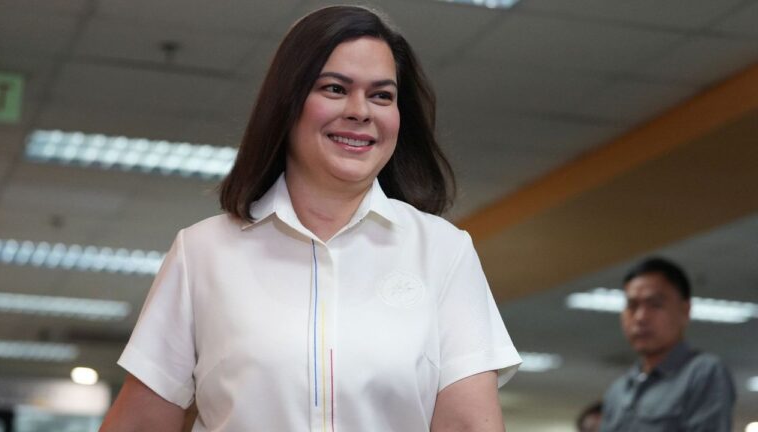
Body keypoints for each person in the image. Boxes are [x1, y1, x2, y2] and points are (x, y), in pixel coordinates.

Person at [100, 5, 521, 432]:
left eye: (381, 95)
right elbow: (139, 424)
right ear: (287, 102)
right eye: (335, 88)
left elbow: (470, 426)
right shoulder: (202, 252)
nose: (361, 111)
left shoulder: (444, 251)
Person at [600, 257, 735, 432]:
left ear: (685, 310)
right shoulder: (618, 391)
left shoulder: (702, 373)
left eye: (655, 305)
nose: (640, 317)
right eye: (632, 306)